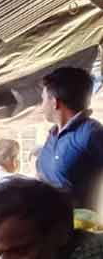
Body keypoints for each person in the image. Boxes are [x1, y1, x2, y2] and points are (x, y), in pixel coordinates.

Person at [36, 66, 103, 209]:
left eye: (43, 100)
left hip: (83, 229)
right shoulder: (52, 136)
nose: (41, 107)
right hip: (52, 226)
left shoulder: (90, 133)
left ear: (55, 102)